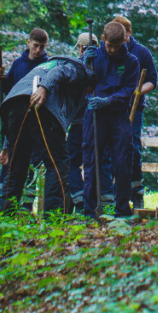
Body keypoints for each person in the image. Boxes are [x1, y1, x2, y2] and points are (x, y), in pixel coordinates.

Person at [0, 52, 95, 215]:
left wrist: (6, 143)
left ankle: (4, 215)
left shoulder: (44, 65)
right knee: (58, 164)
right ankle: (53, 218)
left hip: (13, 105)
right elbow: (58, 73)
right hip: (41, 106)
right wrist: (44, 88)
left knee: (17, 164)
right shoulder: (78, 70)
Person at [82, 21, 140, 218]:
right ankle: (90, 211)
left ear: (125, 40)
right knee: (91, 162)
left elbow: (128, 91)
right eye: (110, 46)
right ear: (103, 39)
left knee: (123, 162)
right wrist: (83, 65)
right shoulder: (92, 57)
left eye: (118, 46)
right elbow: (80, 85)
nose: (114, 50)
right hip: (94, 116)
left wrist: (108, 100)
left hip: (118, 115)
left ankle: (123, 210)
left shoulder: (131, 61)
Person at [0, 29, 50, 211]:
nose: (38, 50)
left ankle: (27, 206)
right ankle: (8, 206)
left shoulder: (47, 66)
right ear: (28, 43)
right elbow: (9, 89)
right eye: (35, 45)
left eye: (42, 47)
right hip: (18, 120)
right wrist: (1, 79)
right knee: (16, 163)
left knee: (34, 164)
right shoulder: (19, 64)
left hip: (38, 120)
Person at [112, 15, 158, 210]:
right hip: (114, 108)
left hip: (134, 109)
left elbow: (153, 80)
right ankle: (115, 193)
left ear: (129, 33)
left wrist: (138, 90)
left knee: (133, 149)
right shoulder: (110, 50)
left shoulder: (141, 52)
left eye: (123, 33)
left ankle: (137, 193)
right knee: (113, 150)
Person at [64, 32, 97, 214]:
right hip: (84, 122)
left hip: (84, 123)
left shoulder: (85, 66)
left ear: (80, 48)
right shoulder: (78, 65)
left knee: (74, 164)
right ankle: (83, 202)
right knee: (85, 164)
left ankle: (85, 204)